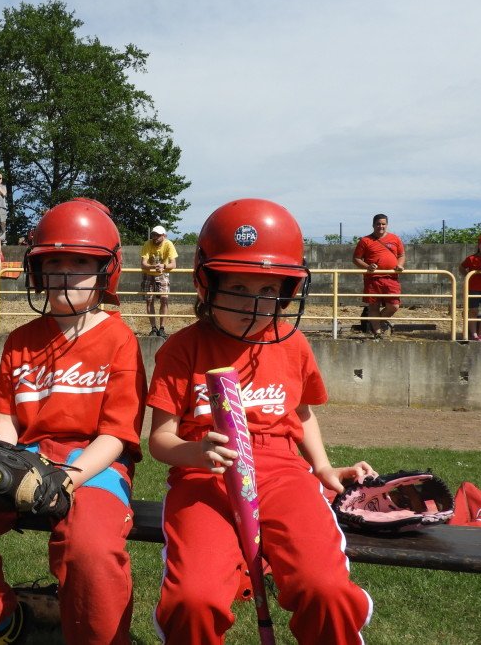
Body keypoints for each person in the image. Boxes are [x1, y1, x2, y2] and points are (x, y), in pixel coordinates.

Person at [147, 198, 375, 644]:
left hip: (282, 470)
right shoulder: (182, 349)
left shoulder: (291, 343)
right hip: (205, 475)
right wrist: (195, 452)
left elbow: (302, 413)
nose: (254, 304)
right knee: (194, 598)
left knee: (323, 587)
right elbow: (160, 440)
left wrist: (323, 467)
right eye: (238, 287)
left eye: (269, 289)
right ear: (207, 284)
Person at [0, 198, 146, 645]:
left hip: (95, 464)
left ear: (106, 270)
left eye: (80, 263)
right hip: (28, 459)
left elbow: (116, 436)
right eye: (53, 263)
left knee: (90, 547)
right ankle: (4, 621)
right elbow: (6, 416)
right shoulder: (22, 339)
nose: (64, 274)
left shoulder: (119, 339)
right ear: (37, 271)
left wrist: (69, 477)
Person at [352, 213, 405, 338]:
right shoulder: (365, 240)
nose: (381, 226)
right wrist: (367, 267)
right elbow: (356, 259)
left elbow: (401, 255)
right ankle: (378, 333)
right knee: (374, 306)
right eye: (378, 224)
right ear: (373, 225)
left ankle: (375, 323)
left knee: (394, 306)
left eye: (383, 224)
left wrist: (399, 265)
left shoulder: (395, 238)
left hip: (391, 277)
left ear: (387, 225)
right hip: (372, 279)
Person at [140, 225, 178, 339]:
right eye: (153, 234)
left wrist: (163, 266)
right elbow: (143, 264)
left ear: (164, 236)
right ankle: (153, 328)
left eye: (158, 235)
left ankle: (162, 328)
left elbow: (173, 264)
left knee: (164, 299)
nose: (155, 237)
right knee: (149, 301)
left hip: (162, 274)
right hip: (148, 274)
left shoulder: (168, 244)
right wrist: (154, 267)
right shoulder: (148, 244)